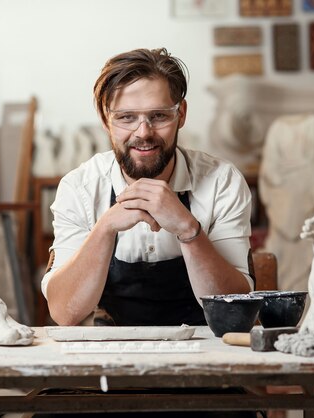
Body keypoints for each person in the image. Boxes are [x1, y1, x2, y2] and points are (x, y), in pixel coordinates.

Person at [42, 48, 254, 328]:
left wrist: (188, 229)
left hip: (206, 350)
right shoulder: (80, 187)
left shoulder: (222, 181)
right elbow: (64, 313)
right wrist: (104, 228)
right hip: (109, 353)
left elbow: (235, 311)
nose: (143, 132)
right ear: (106, 119)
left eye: (158, 116)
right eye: (126, 117)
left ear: (181, 114)